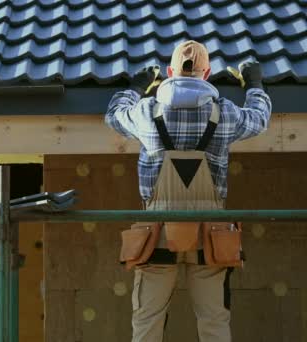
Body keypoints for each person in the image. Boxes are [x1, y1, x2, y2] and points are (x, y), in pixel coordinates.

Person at [105, 40, 272, 342]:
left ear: (169, 72)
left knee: (147, 322)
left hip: (156, 239)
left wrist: (136, 86)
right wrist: (254, 84)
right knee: (214, 322)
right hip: (210, 239)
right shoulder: (227, 114)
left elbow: (114, 114)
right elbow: (259, 119)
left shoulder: (146, 112)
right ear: (206, 74)